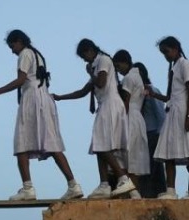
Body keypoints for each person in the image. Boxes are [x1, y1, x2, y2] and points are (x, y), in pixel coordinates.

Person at [0, 29, 83, 201]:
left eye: (13, 46)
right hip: (44, 98)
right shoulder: (37, 55)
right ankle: (73, 185)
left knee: (21, 143)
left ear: (19, 41)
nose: (12, 51)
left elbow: (21, 80)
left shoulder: (25, 54)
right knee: (52, 143)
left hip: (33, 99)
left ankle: (28, 188)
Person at [53, 39, 135, 199]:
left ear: (90, 50)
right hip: (105, 105)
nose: (85, 60)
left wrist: (90, 72)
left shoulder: (103, 60)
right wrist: (60, 97)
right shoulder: (97, 65)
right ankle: (104, 184)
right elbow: (83, 91)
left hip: (110, 105)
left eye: (84, 56)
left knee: (101, 145)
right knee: (99, 145)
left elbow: (101, 82)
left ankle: (123, 179)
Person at [148, 36, 189, 199]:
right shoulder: (174, 68)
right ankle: (170, 190)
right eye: (163, 53)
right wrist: (154, 95)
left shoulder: (185, 64)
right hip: (173, 112)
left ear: (176, 48)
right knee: (168, 152)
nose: (166, 56)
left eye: (167, 51)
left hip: (184, 110)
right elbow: (171, 96)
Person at [112, 50, 150, 199]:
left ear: (125, 62)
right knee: (134, 160)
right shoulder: (138, 77)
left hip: (129, 118)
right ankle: (133, 193)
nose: (118, 69)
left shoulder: (128, 78)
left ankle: (131, 194)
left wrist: (120, 122)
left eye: (118, 65)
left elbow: (126, 102)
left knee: (127, 159)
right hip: (138, 118)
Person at [134, 62, 167, 198]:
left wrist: (160, 135)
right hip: (143, 135)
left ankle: (157, 193)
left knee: (155, 167)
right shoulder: (139, 93)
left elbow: (160, 114)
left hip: (153, 133)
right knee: (143, 167)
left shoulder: (152, 91)